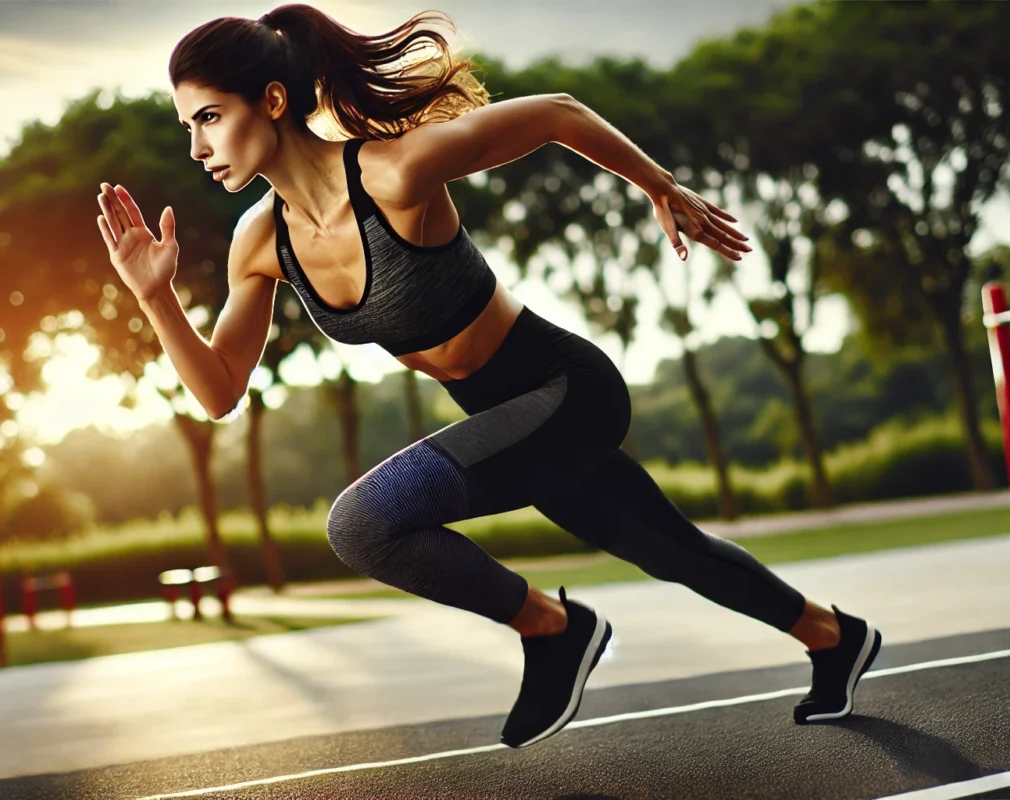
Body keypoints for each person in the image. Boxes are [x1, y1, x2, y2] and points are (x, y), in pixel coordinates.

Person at [96, 3, 881, 749]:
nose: (197, 149)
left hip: (564, 390)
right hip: (501, 418)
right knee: (670, 549)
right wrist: (155, 296)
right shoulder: (259, 241)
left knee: (362, 523)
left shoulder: (395, 175)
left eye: (208, 118)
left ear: (270, 99)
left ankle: (553, 627)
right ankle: (835, 638)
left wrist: (661, 188)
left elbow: (559, 113)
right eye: (187, 127)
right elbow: (219, 391)